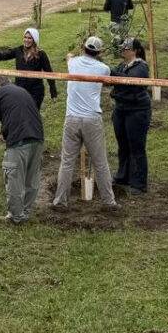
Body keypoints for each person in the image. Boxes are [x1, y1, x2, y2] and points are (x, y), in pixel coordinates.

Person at [51, 37, 119, 210]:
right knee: (100, 162)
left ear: (83, 48)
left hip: (72, 118)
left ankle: (60, 201)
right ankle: (109, 202)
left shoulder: (73, 63)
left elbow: (68, 56)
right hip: (92, 120)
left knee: (67, 162)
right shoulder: (103, 69)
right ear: (99, 52)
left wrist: (71, 54)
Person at [0, 76, 44, 224]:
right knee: (31, 179)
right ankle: (25, 212)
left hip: (18, 142)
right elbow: (19, 114)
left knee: (14, 180)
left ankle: (16, 217)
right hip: (37, 138)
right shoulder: (21, 91)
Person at [0, 27, 59, 109]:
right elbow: (2, 56)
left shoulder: (41, 54)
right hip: (20, 90)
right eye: (25, 37)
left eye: (30, 38)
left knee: (32, 114)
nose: (26, 40)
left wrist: (53, 91)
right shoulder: (18, 50)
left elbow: (49, 73)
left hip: (35, 92)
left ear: (34, 39)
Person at [110, 38, 151, 195]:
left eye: (126, 48)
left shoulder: (141, 67)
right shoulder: (122, 65)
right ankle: (123, 176)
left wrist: (109, 72)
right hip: (121, 109)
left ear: (135, 51)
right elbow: (115, 80)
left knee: (136, 146)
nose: (123, 50)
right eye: (122, 47)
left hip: (137, 111)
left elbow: (127, 82)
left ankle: (139, 183)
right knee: (123, 144)